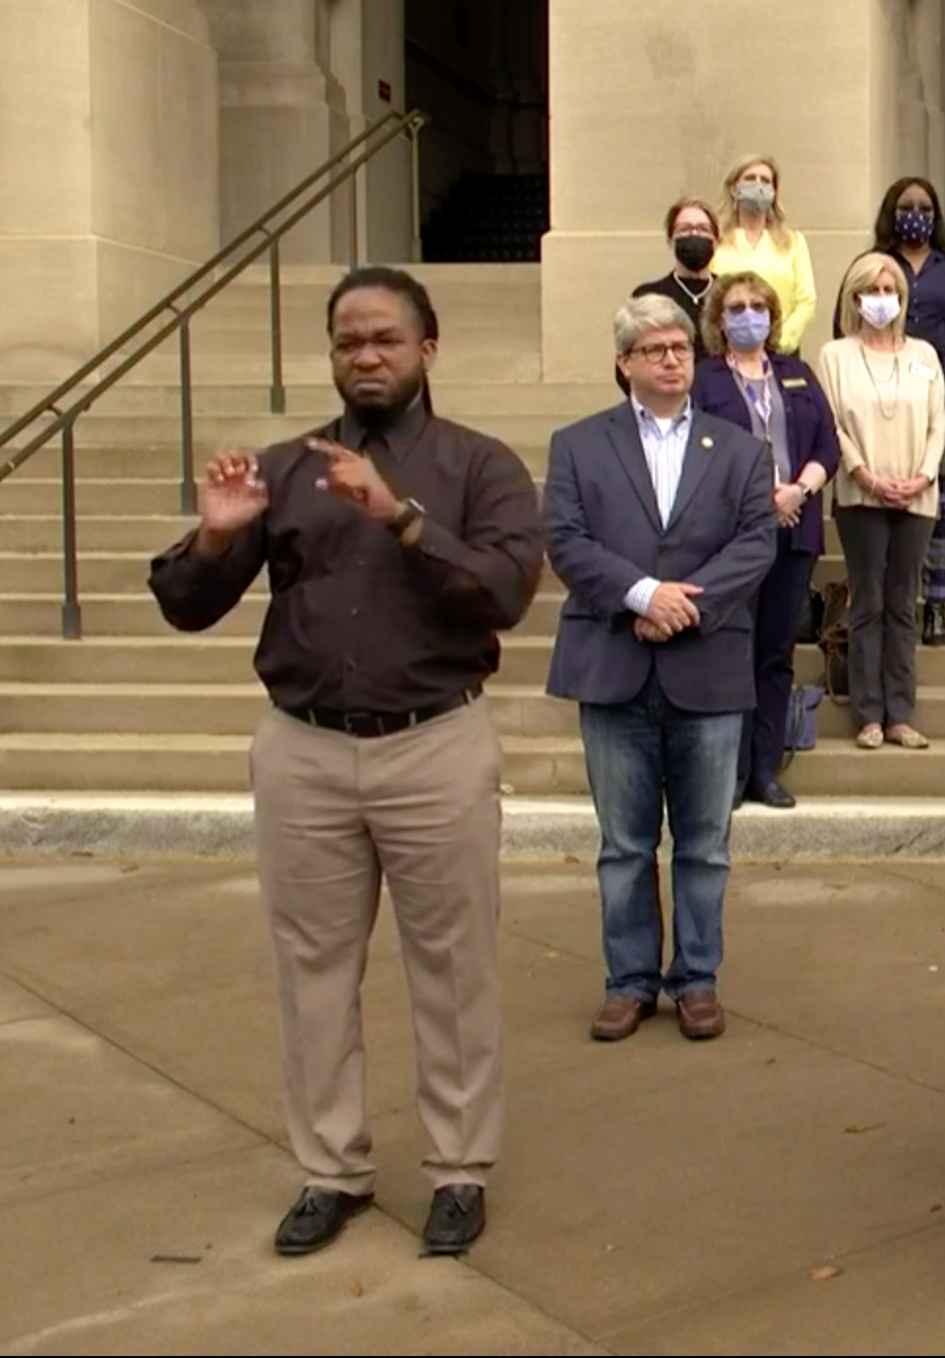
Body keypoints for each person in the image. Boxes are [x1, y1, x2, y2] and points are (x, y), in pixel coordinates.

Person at [146, 266, 544, 1260]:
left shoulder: (478, 465)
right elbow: (186, 605)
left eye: (384, 340)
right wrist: (213, 536)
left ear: (428, 348)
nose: (365, 357)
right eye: (347, 342)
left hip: (434, 745)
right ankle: (333, 1167)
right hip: (304, 753)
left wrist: (399, 514)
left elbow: (502, 588)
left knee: (453, 967)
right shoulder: (283, 470)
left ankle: (459, 1166)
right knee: (312, 969)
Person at [543, 295, 778, 1044]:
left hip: (706, 670)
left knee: (705, 843)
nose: (673, 359)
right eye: (655, 350)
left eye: (681, 348)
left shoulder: (739, 449)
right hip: (614, 665)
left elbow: (755, 544)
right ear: (625, 364)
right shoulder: (578, 445)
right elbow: (566, 539)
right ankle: (630, 980)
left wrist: (684, 606)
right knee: (624, 845)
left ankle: (697, 978)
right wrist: (640, 594)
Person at [692, 274, 840, 809]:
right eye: (736, 307)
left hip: (794, 526)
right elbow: (696, 449)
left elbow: (828, 442)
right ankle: (727, 772)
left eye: (758, 306)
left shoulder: (796, 373)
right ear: (718, 319)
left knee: (775, 654)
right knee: (732, 650)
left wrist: (799, 488)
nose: (748, 315)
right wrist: (757, 496)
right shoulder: (704, 380)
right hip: (732, 534)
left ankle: (764, 768)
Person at [838, 177, 945, 646]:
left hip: (943, 391)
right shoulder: (872, 268)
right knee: (882, 499)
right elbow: (843, 325)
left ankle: (937, 602)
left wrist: (934, 371)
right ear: (891, 211)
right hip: (878, 396)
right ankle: (884, 597)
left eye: (924, 206)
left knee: (938, 500)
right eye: (906, 205)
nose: (916, 213)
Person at [819, 252, 945, 751]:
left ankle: (901, 714)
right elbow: (831, 424)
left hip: (917, 495)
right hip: (860, 494)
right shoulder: (835, 356)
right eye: (871, 291)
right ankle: (868, 714)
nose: (881, 300)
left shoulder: (925, 355)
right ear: (855, 299)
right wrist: (865, 474)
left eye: (889, 290)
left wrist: (923, 475)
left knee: (903, 603)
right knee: (867, 601)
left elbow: (939, 423)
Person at [708, 154, 816, 355]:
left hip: (781, 349)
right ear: (734, 189)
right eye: (750, 178)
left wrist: (780, 340)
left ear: (774, 192)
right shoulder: (717, 242)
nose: (758, 185)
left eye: (765, 180)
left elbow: (806, 301)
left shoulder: (793, 242)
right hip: (729, 348)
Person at [632, 198, 724, 361]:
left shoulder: (730, 294)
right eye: (685, 229)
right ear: (670, 240)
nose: (694, 234)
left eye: (703, 229)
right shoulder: (649, 296)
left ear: (716, 241)